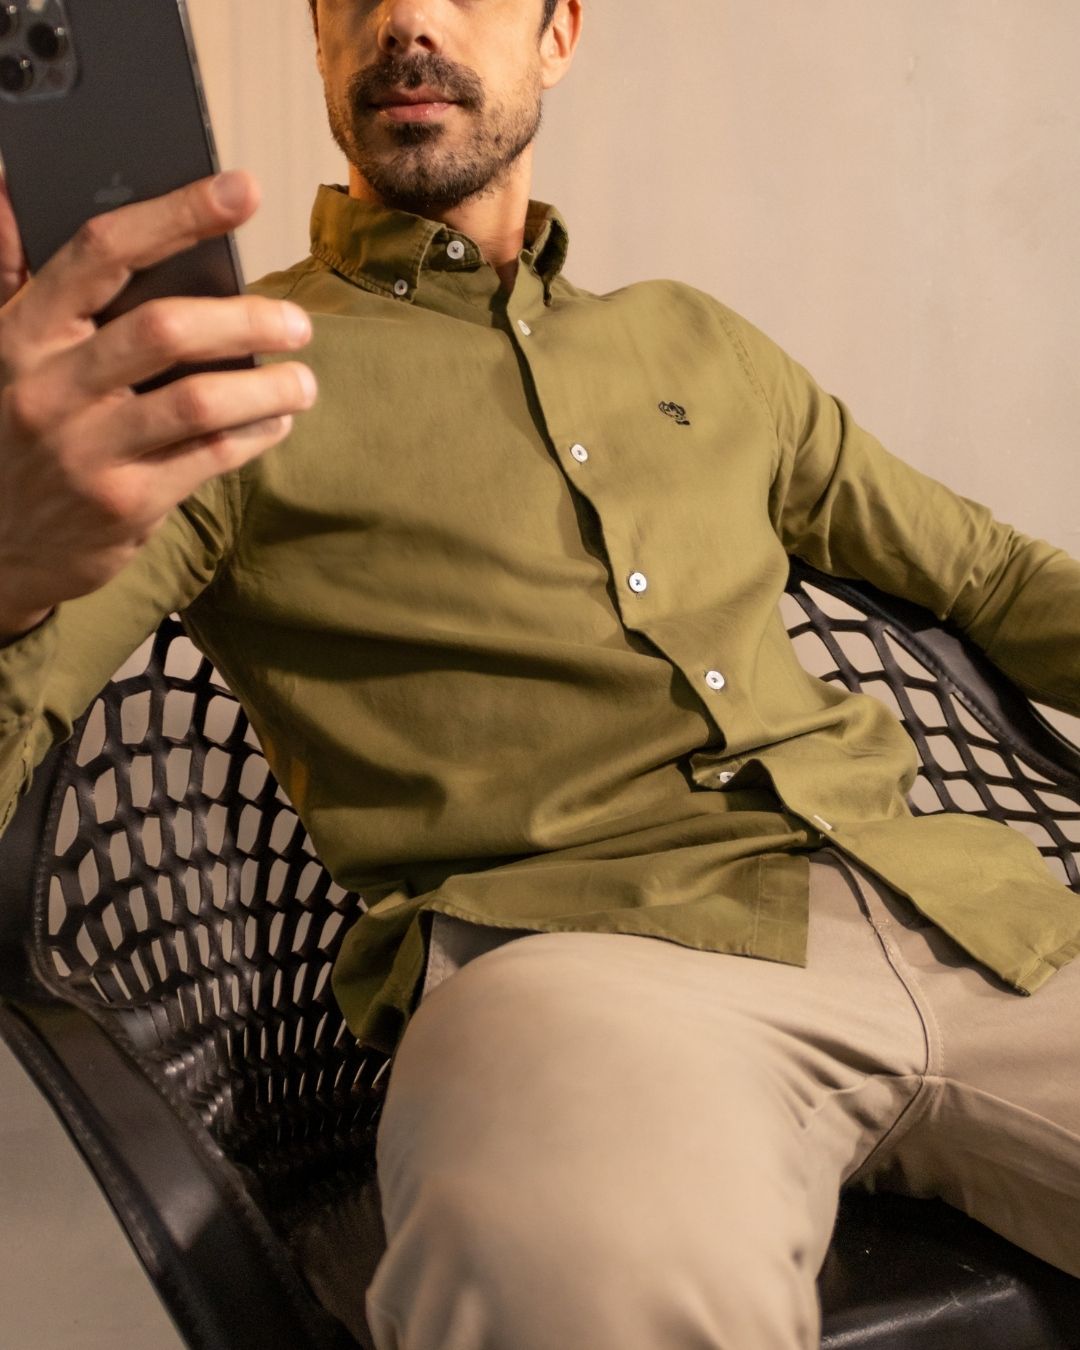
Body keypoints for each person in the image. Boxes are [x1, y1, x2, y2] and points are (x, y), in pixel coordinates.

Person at [1, 1, 1078, 1346]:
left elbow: (987, 576)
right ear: (320, 42)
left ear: (559, 32)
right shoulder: (228, 386)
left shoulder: (698, 345)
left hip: (975, 916)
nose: (407, 17)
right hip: (581, 973)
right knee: (577, 1288)